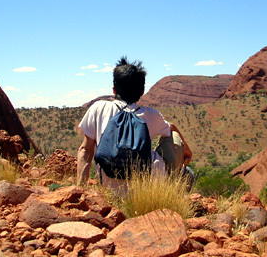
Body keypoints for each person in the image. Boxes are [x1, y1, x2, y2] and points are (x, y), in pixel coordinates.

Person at [76, 56, 192, 192]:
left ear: (114, 90)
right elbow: (170, 128)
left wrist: (80, 190)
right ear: (142, 92)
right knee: (173, 137)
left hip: (109, 187)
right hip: (146, 189)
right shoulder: (151, 115)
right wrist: (186, 149)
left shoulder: (98, 108)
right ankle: (173, 188)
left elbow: (86, 150)